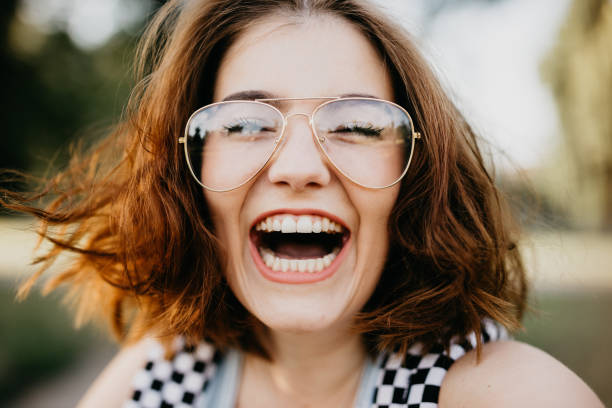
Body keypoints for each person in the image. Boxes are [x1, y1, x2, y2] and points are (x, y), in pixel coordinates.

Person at [2, 0, 603, 407]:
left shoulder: (508, 394)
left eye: (359, 125)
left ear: (413, 174)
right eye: (242, 124)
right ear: (189, 172)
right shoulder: (158, 381)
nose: (297, 168)